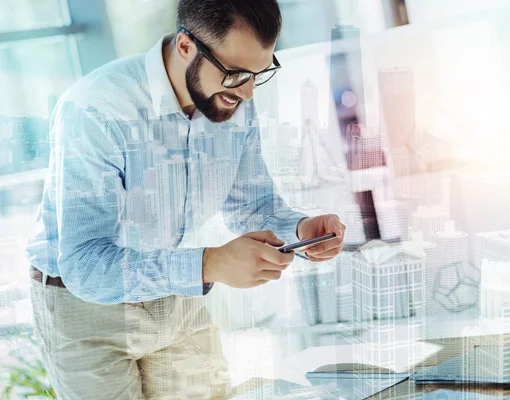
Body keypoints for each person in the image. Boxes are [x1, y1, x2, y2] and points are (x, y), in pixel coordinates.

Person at [25, 0, 346, 398]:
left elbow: (251, 205)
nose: (246, 92)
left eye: (258, 74)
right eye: (235, 74)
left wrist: (298, 229)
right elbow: (86, 265)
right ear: (184, 47)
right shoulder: (96, 109)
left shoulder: (233, 102)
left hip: (176, 288)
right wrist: (209, 263)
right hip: (85, 307)